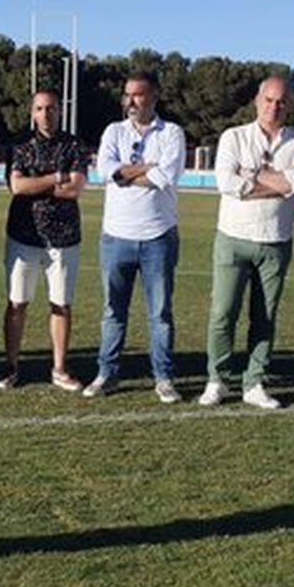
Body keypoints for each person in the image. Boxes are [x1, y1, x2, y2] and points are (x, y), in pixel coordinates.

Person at [200, 76, 294, 410]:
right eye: (268, 99)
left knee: (264, 316)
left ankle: (254, 382)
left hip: (276, 241)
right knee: (222, 313)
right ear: (256, 100)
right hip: (232, 238)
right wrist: (280, 181)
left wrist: (252, 175)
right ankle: (217, 380)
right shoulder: (233, 136)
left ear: (289, 104)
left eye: (281, 101)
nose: (274, 106)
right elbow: (227, 182)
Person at [84, 70, 187, 403]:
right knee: (113, 312)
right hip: (116, 237)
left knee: (160, 314)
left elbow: (165, 176)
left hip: (158, 236)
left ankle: (163, 377)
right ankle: (107, 373)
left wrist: (127, 174)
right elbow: (107, 171)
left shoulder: (171, 132)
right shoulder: (113, 131)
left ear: (154, 97)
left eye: (138, 95)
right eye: (127, 95)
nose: (130, 101)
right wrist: (145, 168)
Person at [0, 90, 87, 391]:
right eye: (39, 108)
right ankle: (11, 366)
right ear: (32, 112)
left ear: (59, 110)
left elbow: (74, 189)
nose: (46, 113)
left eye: (51, 108)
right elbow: (18, 187)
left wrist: (38, 182)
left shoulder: (73, 144)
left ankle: (60, 369)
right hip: (23, 236)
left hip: (64, 238)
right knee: (17, 303)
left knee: (61, 304)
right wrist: (55, 178)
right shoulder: (21, 145)